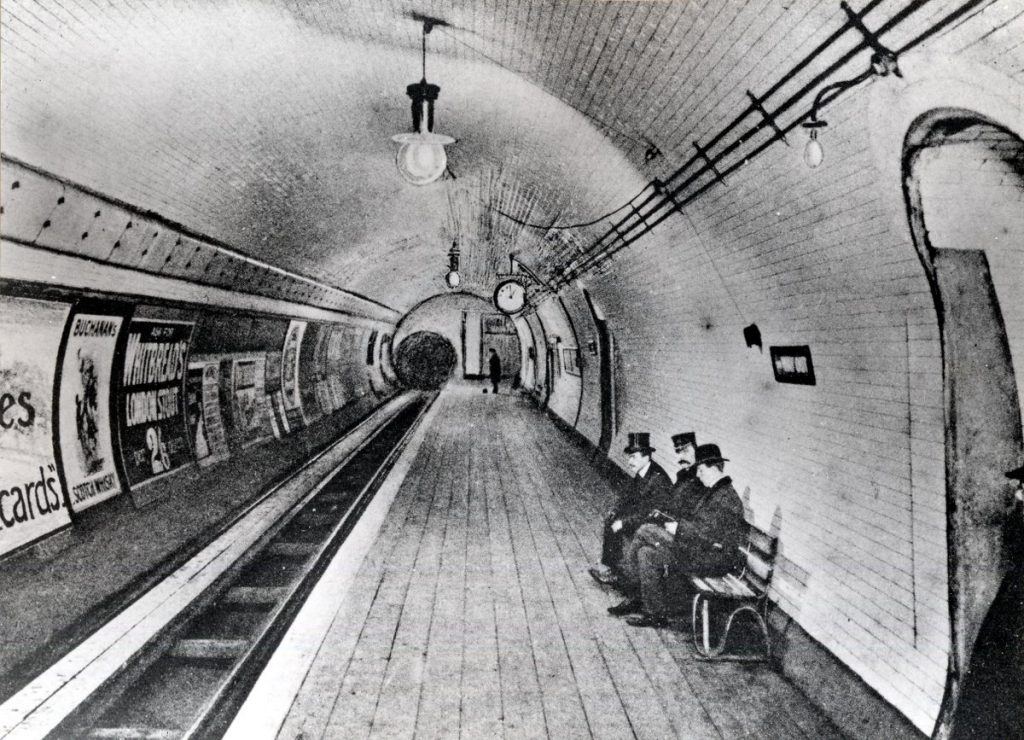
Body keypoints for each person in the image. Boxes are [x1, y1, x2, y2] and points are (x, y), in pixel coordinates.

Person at [609, 443, 747, 628]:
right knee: (646, 554)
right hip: (698, 550)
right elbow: (702, 526)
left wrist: (678, 528)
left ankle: (630, 587)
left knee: (645, 530)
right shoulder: (715, 493)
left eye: (701, 470)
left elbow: (708, 536)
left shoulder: (726, 499)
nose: (698, 475)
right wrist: (677, 524)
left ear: (714, 468)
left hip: (712, 559)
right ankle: (655, 614)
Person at [589, 432, 671, 587]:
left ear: (646, 457)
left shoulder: (657, 479)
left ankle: (616, 572)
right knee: (612, 520)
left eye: (634, 457)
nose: (629, 461)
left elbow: (650, 513)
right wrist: (615, 511)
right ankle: (610, 568)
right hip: (642, 517)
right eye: (629, 457)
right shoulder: (643, 472)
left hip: (653, 524)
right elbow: (627, 497)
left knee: (617, 525)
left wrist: (624, 522)